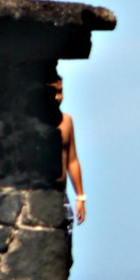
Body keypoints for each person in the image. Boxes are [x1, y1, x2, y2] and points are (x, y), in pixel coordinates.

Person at [48, 73, 86, 267]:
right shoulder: (40, 124)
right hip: (45, 194)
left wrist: (80, 197)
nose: (58, 97)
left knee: (65, 258)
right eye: (53, 92)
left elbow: (72, 160)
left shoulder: (66, 122)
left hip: (63, 196)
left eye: (61, 92)